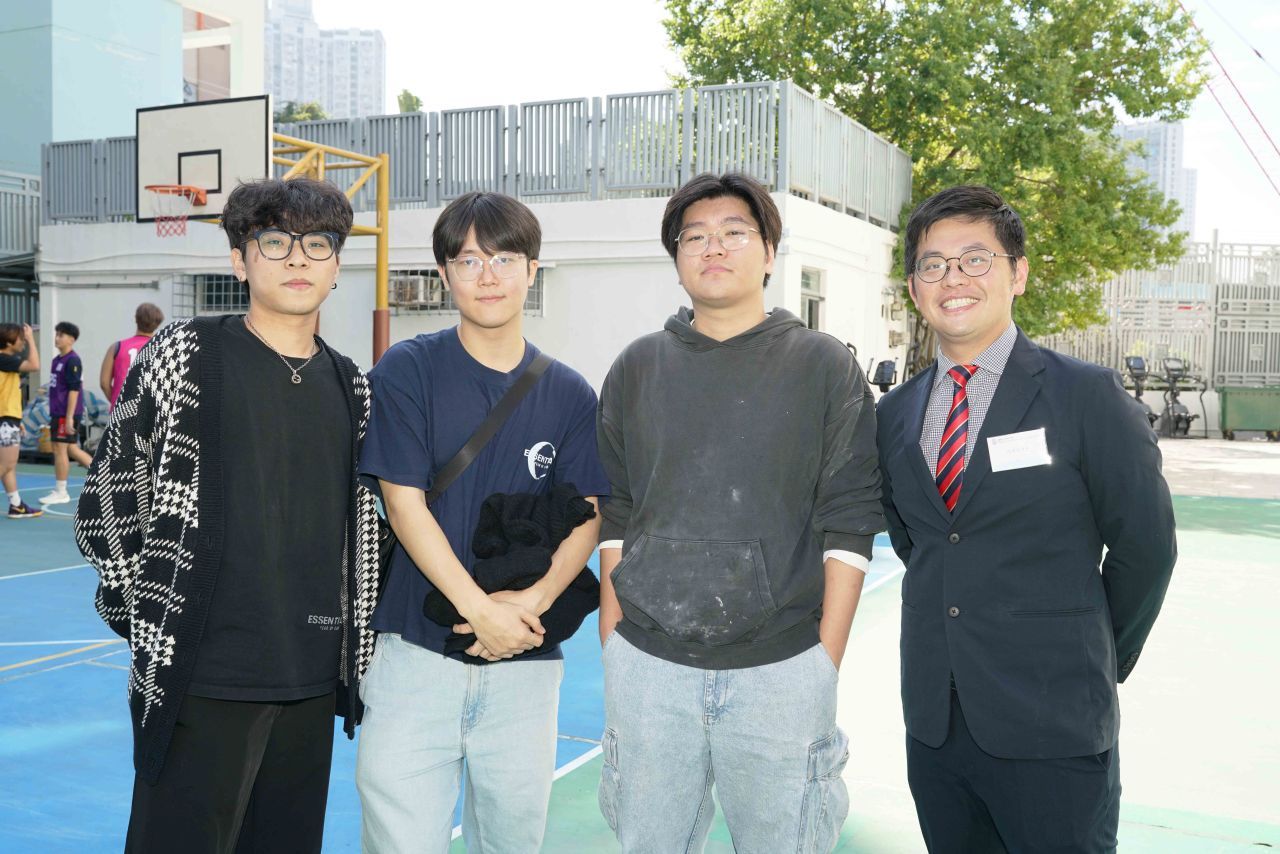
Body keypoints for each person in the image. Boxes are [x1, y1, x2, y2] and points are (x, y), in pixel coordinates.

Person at [74, 177, 382, 853]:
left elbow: (365, 534)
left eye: (318, 243)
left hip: (310, 677)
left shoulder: (353, 386)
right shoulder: (183, 355)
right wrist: (155, 618)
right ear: (240, 260)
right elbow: (107, 503)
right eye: (274, 241)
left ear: (336, 265)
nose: (297, 257)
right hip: (199, 674)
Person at [875, 185, 1177, 852]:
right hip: (936, 726)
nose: (954, 278)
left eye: (975, 259)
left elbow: (1146, 551)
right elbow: (920, 541)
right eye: (933, 264)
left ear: (1018, 274)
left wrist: (1091, 652)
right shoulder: (893, 413)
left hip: (1054, 720)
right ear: (914, 288)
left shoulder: (1086, 396)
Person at [595, 172, 885, 853]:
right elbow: (617, 508)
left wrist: (822, 661)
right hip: (648, 668)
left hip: (782, 671)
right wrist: (614, 638)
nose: (713, 247)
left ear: (770, 253)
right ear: (676, 259)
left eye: (734, 232)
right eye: (694, 236)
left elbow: (849, 517)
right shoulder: (638, 366)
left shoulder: (821, 364)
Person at [355, 191, 610, 854]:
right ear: (444, 274)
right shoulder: (407, 370)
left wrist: (531, 604)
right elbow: (403, 504)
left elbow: (589, 513)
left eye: (504, 259)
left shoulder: (569, 393)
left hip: (527, 658)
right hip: (414, 656)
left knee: (511, 842)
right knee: (401, 842)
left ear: (532, 269)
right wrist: (482, 613)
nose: (488, 275)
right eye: (469, 260)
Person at [37, 321, 94, 505]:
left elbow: (74, 390)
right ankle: (102, 475)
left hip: (66, 414)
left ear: (71, 339)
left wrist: (69, 417)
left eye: (61, 335)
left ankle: (61, 492)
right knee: (70, 448)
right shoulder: (57, 361)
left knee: (60, 449)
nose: (57, 338)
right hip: (57, 412)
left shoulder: (73, 361)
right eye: (57, 334)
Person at [0, 322, 42, 519]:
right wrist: (32, 340)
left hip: (8, 418)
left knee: (8, 466)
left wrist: (18, 420)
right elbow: (34, 365)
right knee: (6, 465)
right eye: (21, 338)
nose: (23, 342)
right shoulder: (5, 359)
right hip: (5, 420)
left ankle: (16, 505)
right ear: (9, 342)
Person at [100, 302, 164, 410]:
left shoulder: (116, 347)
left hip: (121, 410)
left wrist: (116, 402)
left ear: (135, 319)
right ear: (158, 324)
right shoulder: (163, 349)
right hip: (150, 411)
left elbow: (104, 383)